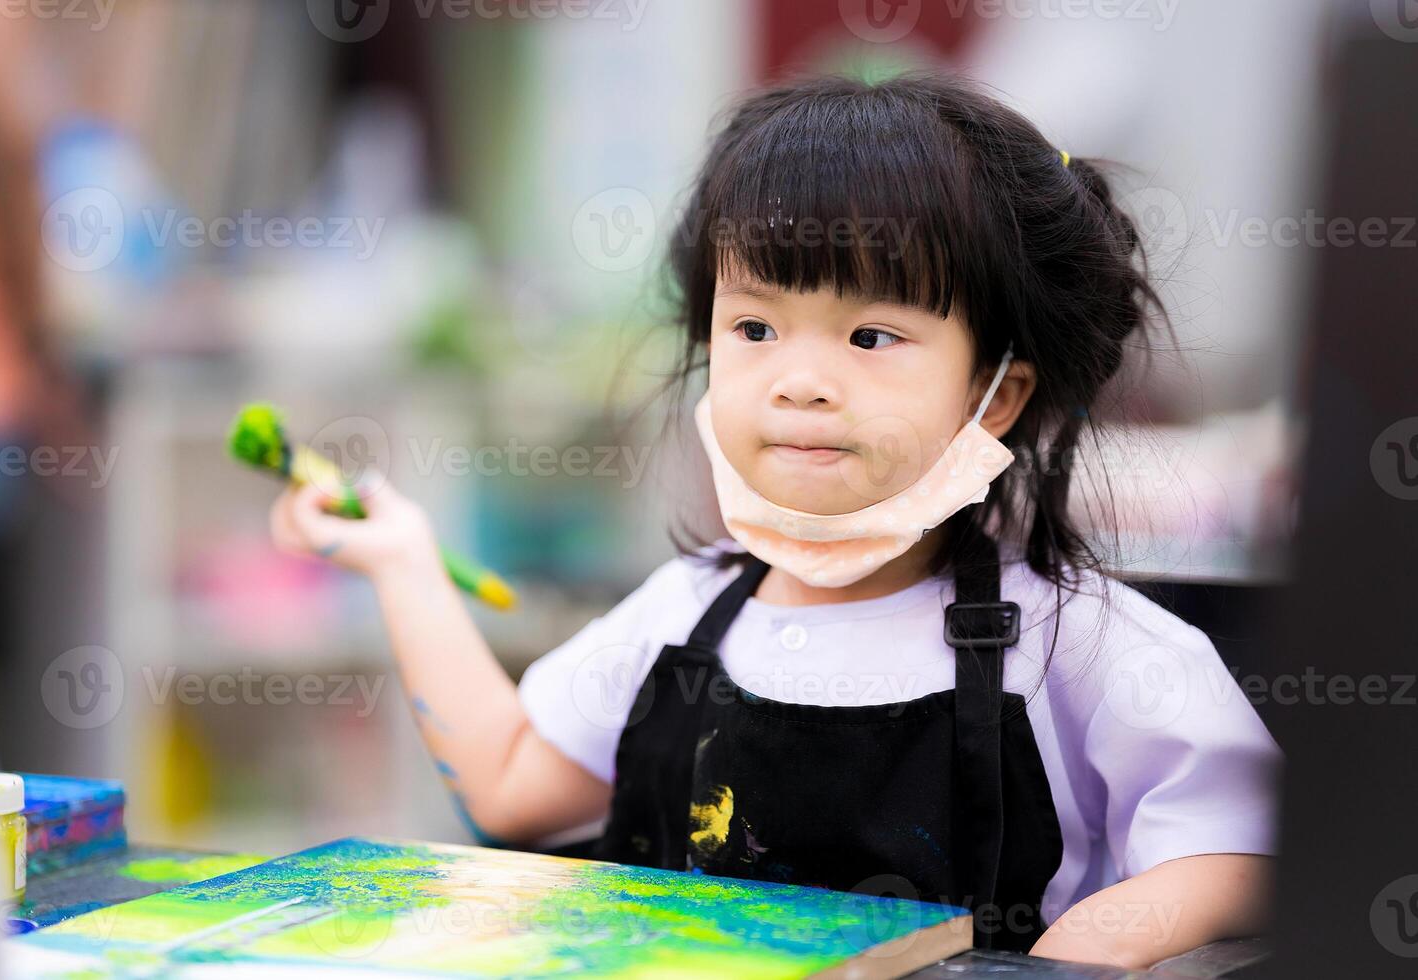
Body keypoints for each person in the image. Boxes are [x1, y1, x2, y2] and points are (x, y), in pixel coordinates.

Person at [269, 72, 1281, 966]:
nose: (800, 381)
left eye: (871, 333)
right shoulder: (681, 615)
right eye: (754, 326)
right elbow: (506, 785)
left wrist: (1073, 954)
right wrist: (400, 559)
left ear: (999, 394)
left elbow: (1244, 843)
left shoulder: (1079, 640)